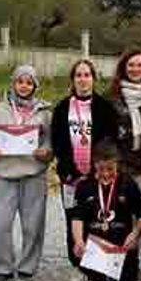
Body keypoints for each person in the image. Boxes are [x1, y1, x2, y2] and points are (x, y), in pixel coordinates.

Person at [0, 66, 53, 281]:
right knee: (1, 224)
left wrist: (46, 152)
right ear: (13, 83)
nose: (24, 86)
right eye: (20, 81)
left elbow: (50, 140)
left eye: (29, 82)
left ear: (35, 86)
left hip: (34, 173)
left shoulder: (44, 112)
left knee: (33, 225)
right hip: (4, 173)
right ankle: (2, 268)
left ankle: (27, 268)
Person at [51, 59, 120, 268]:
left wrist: (95, 170)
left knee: (97, 220)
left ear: (94, 79)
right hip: (71, 177)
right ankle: (77, 264)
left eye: (87, 75)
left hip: (97, 175)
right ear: (73, 80)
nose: (83, 79)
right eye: (78, 75)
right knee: (73, 218)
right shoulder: (62, 108)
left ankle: (97, 267)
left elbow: (110, 140)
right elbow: (58, 142)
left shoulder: (104, 107)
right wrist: (71, 171)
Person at [71, 142, 141, 281]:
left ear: (117, 164)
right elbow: (77, 218)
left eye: (110, 169)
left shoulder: (128, 184)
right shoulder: (84, 186)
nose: (105, 174)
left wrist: (135, 234)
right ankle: (97, 279)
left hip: (120, 247)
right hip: (96, 246)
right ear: (94, 165)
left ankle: (118, 277)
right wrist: (78, 241)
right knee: (78, 244)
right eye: (101, 169)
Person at [107, 49, 141, 190]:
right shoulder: (112, 97)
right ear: (123, 67)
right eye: (131, 65)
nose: (135, 69)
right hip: (119, 166)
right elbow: (106, 136)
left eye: (140, 65)